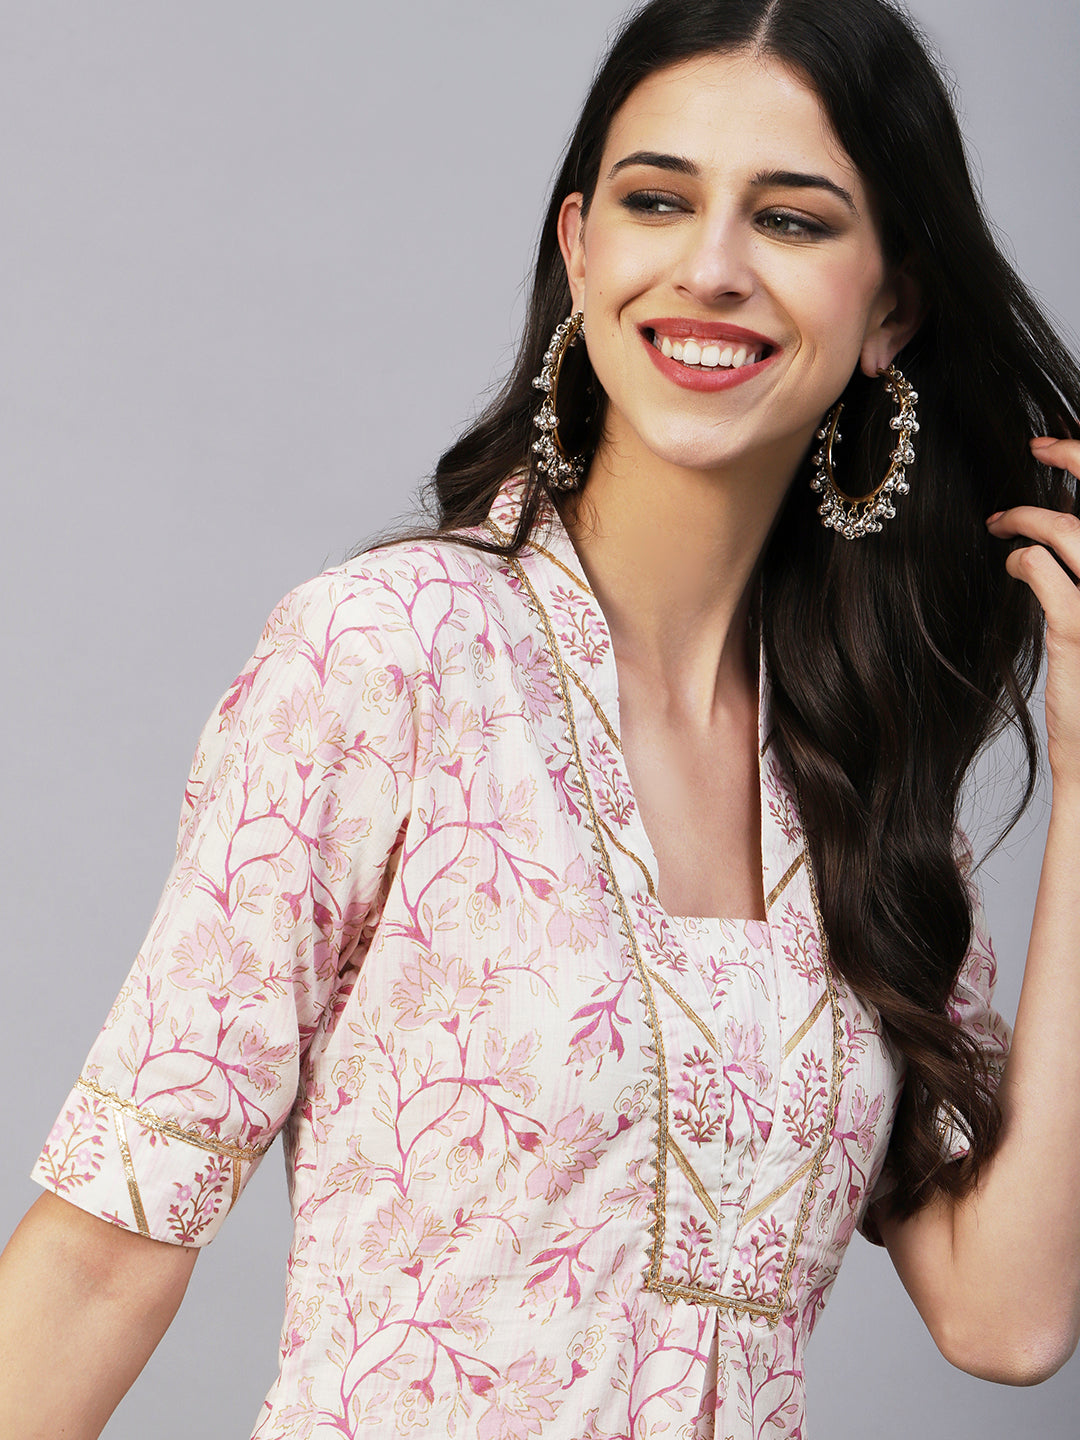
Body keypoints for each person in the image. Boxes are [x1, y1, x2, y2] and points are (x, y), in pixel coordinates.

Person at [2, 0, 1079, 1435]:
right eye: (657, 201)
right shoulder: (392, 657)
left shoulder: (866, 780)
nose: (710, 266)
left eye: (791, 220)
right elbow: (101, 1259)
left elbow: (1010, 1315)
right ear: (581, 248)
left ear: (892, 308)